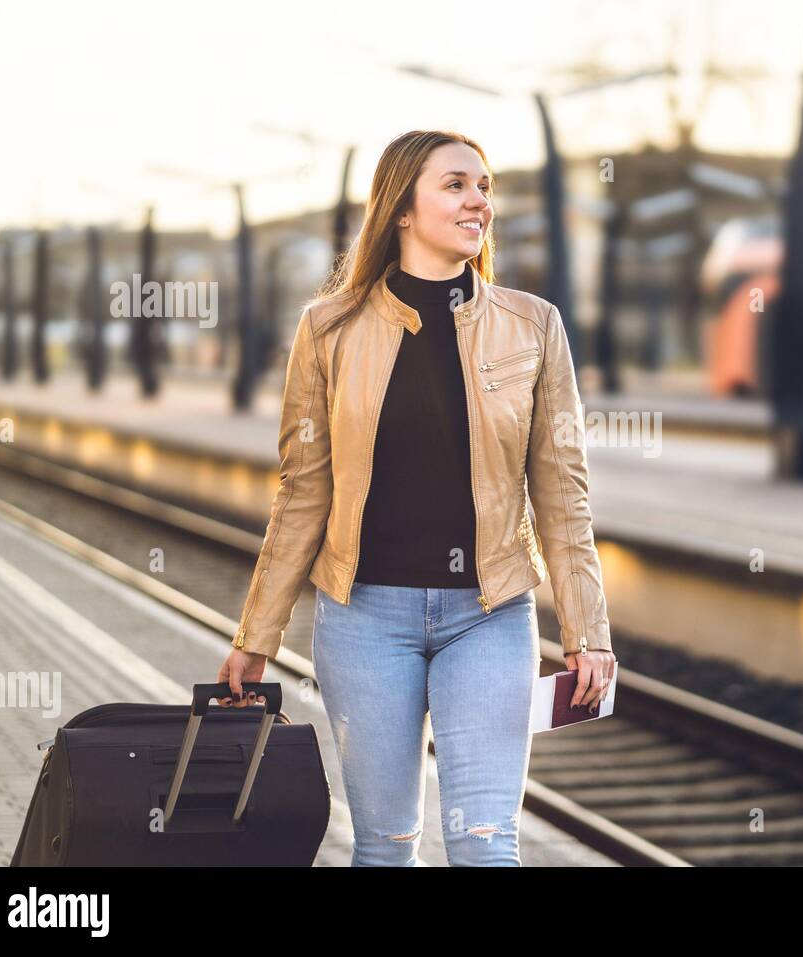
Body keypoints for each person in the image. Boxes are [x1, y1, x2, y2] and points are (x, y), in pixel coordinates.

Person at [217, 130, 616, 866]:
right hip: (365, 617)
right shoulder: (328, 329)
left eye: (486, 187)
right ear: (402, 207)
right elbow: (302, 494)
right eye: (457, 185)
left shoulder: (533, 327)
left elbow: (562, 493)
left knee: (487, 844)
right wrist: (256, 637)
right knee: (385, 846)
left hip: (489, 617)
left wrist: (588, 631)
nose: (479, 202)